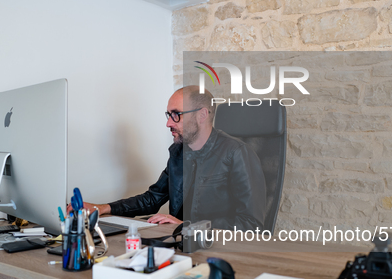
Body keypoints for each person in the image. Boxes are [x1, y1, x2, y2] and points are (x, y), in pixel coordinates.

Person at [79, 86, 266, 231]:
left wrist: (186, 225)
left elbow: (251, 224)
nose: (168, 123)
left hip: (218, 250)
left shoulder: (237, 153)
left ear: (201, 115)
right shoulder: (179, 152)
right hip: (179, 242)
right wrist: (102, 208)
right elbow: (153, 199)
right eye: (169, 115)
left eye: (176, 115)